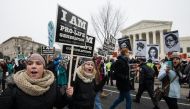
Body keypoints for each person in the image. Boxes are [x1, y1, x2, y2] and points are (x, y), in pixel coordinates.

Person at [0, 53, 73, 109]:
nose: (33, 66)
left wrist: (67, 95)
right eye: (30, 63)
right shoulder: (14, 86)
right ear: (26, 67)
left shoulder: (52, 84)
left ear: (44, 68)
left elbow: (59, 104)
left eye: (38, 63)